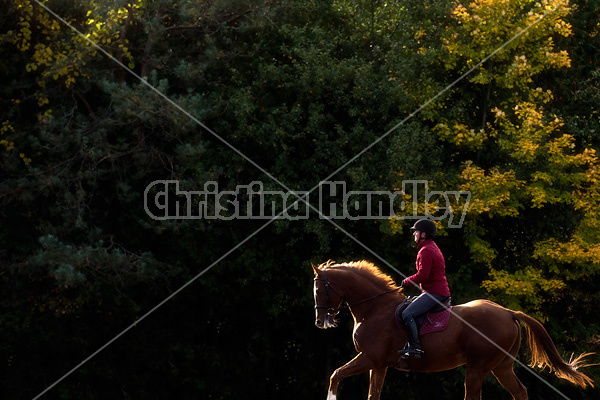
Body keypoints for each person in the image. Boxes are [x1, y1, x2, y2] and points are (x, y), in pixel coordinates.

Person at [399, 219, 451, 359]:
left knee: (407, 314)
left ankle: (415, 347)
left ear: (423, 234)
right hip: (435, 291)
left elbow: (423, 275)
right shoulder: (431, 246)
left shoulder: (426, 250)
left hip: (435, 293)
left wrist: (406, 282)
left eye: (416, 231)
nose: (414, 234)